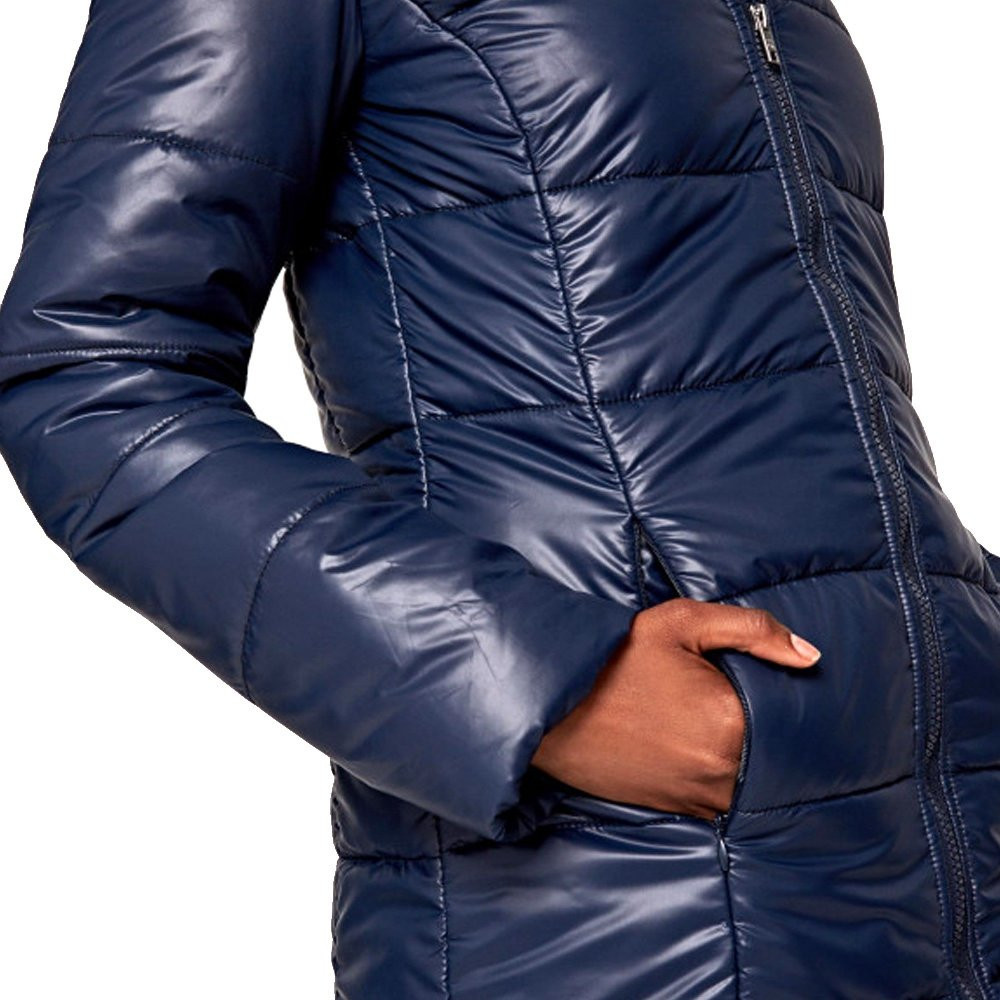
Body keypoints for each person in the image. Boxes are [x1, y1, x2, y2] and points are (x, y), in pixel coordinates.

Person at [1, 1, 998, 997]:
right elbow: (90, 380)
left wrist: (966, 627)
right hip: (623, 890)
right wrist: (537, 686)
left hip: (936, 852)